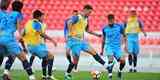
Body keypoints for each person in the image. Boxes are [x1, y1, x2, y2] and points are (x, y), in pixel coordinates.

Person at [64, 4, 113, 80]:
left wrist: (97, 35)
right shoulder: (77, 16)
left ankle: (107, 66)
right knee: (75, 61)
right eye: (89, 12)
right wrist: (70, 33)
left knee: (93, 52)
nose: (90, 14)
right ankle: (67, 73)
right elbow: (69, 22)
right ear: (85, 10)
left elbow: (87, 30)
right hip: (74, 41)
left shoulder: (86, 19)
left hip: (81, 41)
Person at [0, 0, 35, 80]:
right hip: (9, 39)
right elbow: (19, 31)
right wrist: (24, 46)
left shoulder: (7, 14)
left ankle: (5, 74)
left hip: (1, 38)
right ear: (21, 8)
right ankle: (32, 77)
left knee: (12, 56)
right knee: (23, 58)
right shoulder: (18, 14)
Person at [22, 10, 58, 80]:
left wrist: (24, 46)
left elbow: (22, 35)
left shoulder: (28, 23)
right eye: (42, 16)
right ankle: (49, 76)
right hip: (35, 46)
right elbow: (41, 34)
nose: (43, 18)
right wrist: (52, 40)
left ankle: (44, 76)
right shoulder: (37, 23)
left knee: (45, 58)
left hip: (30, 46)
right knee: (51, 56)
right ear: (38, 17)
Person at [101, 14, 126, 80]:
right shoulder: (104, 28)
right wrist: (102, 50)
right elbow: (103, 39)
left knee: (123, 61)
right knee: (111, 59)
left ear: (114, 20)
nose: (110, 22)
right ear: (108, 20)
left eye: (111, 20)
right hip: (109, 46)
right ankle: (110, 76)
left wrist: (125, 44)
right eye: (109, 20)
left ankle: (120, 71)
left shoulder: (119, 26)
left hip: (117, 47)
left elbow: (124, 35)